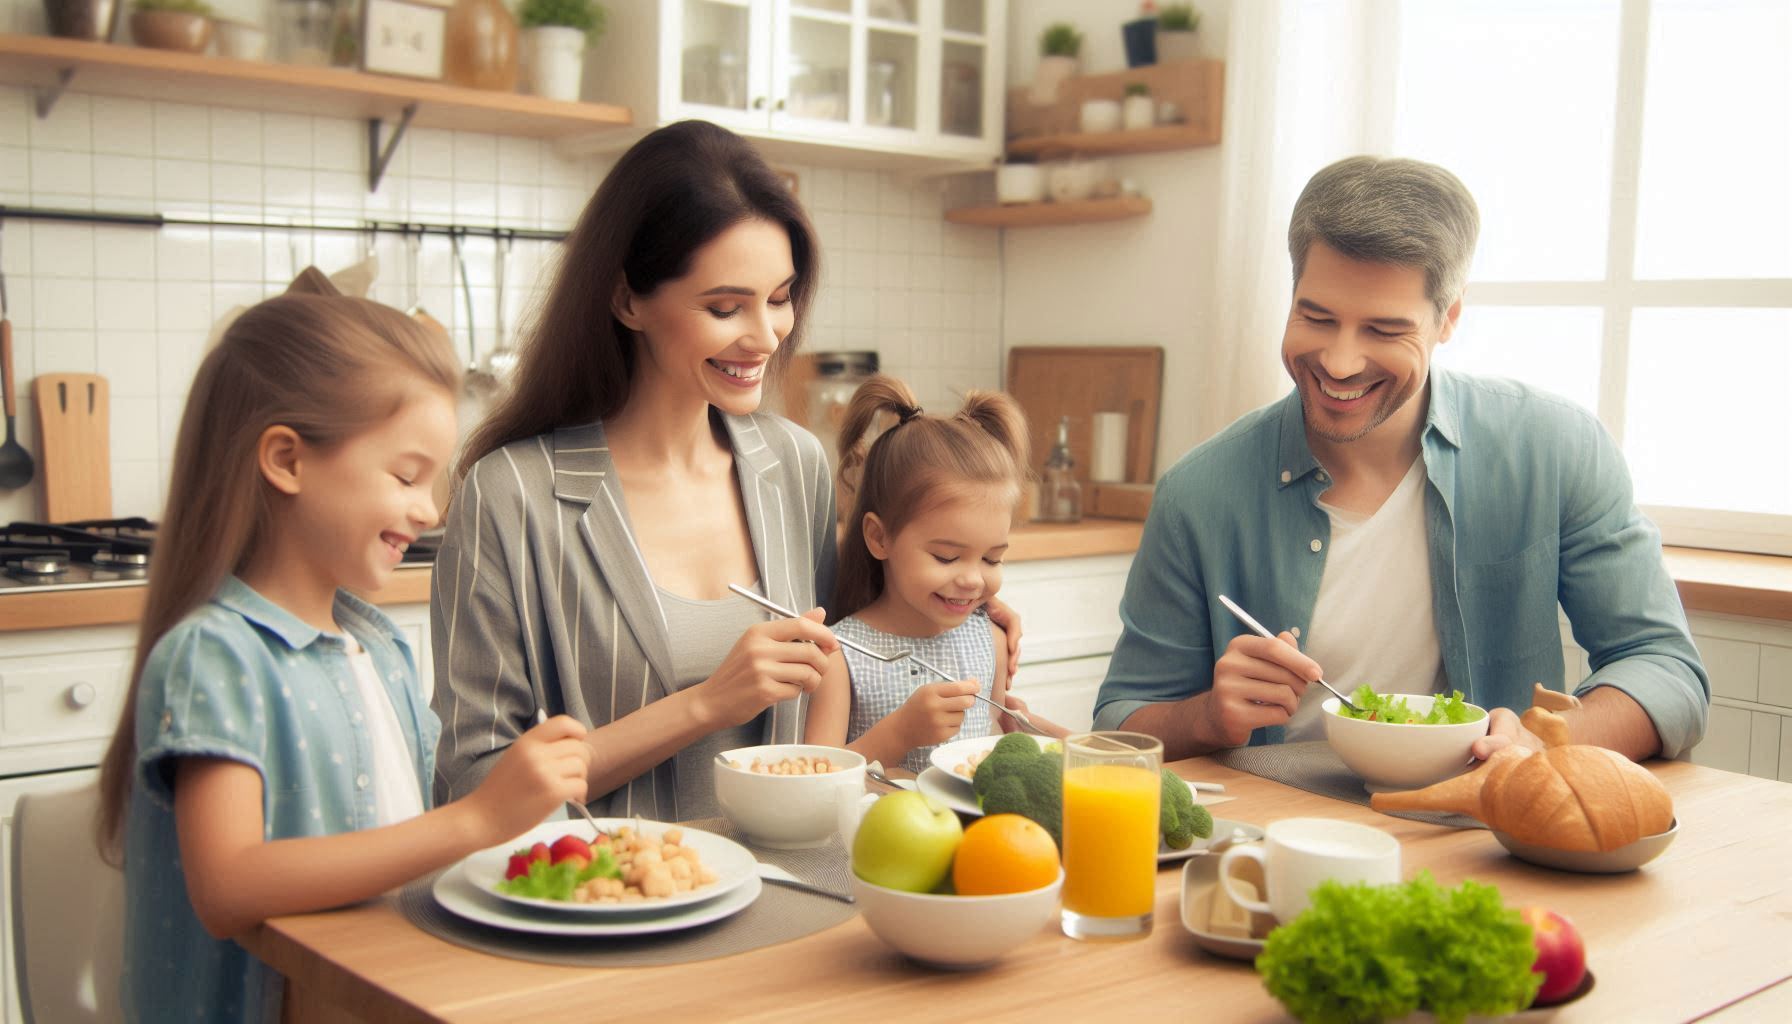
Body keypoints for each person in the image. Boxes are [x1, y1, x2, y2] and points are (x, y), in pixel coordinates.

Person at [431, 121, 1024, 819]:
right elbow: (474, 784)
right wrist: (706, 704)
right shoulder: (512, 495)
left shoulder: (794, 465)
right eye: (724, 307)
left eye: (779, 298)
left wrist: (956, 616)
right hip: (613, 903)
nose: (768, 334)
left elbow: (851, 669)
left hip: (795, 882)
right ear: (627, 300)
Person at [1094, 156, 1708, 764]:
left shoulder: (1555, 448)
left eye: (1384, 330)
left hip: (1484, 834)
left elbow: (1665, 669)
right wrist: (1206, 717)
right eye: (1316, 316)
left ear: (1449, 319)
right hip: (1275, 833)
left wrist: (1542, 742)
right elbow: (1120, 724)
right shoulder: (1199, 491)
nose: (1338, 362)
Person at [96, 281, 593, 1023]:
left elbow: (401, 845)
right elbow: (227, 885)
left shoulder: (378, 645)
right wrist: (474, 821)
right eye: (406, 476)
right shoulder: (218, 655)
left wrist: (514, 810)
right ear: (287, 460)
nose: (429, 511)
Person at [805, 376, 1067, 775]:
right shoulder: (840, 655)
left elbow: (990, 748)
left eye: (992, 560)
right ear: (879, 538)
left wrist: (1024, 732)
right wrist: (897, 735)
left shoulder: (991, 642)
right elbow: (812, 777)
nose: (973, 580)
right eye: (947, 557)